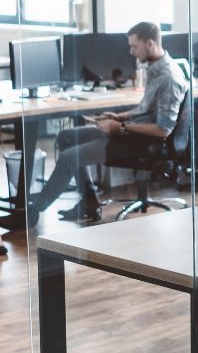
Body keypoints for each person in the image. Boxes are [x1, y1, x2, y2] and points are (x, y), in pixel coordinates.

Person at [28, 22, 186, 226]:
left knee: (69, 158)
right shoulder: (156, 69)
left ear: (149, 44)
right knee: (66, 137)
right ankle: (90, 201)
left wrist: (120, 127)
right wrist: (119, 117)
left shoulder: (169, 77)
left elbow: (163, 130)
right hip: (128, 132)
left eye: (134, 47)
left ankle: (33, 212)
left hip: (141, 142)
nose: (131, 52)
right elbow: (146, 111)